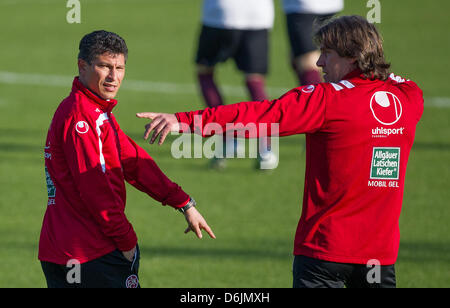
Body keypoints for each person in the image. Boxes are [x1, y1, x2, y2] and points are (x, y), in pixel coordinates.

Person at [136, 16, 424, 288]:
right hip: (379, 259)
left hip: (324, 254)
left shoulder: (328, 100)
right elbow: (392, 80)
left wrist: (185, 121)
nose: (319, 62)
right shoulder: (409, 98)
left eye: (327, 53)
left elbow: (258, 116)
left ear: (352, 56)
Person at [39, 30, 215, 288]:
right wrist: (127, 241)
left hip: (65, 250)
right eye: (104, 66)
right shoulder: (82, 118)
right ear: (82, 66)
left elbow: (134, 162)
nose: (114, 77)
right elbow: (95, 190)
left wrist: (184, 203)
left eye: (119, 68)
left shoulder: (96, 112)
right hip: (89, 254)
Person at [195, 0, 277, 169]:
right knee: (255, 79)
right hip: (258, 14)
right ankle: (266, 149)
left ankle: (227, 138)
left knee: (204, 71)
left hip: (220, 14)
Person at [283, 0, 344, 86]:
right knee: (298, 59)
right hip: (331, 6)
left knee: (306, 61)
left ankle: (319, 98)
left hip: (302, 7)